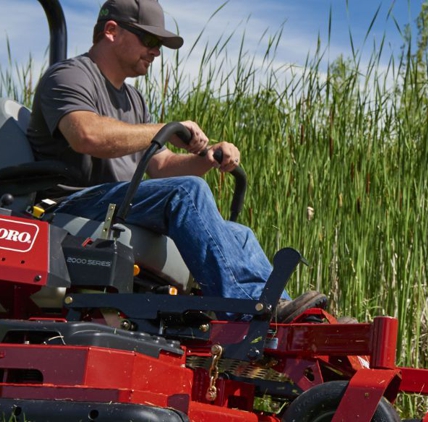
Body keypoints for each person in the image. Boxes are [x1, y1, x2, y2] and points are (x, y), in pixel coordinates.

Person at [27, 0, 326, 322]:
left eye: (160, 45)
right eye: (150, 41)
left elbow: (160, 165)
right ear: (111, 31)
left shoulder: (133, 99)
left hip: (118, 202)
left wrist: (208, 159)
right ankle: (250, 310)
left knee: (237, 233)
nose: (156, 52)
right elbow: (86, 135)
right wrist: (162, 130)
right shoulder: (70, 75)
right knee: (186, 191)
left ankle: (280, 312)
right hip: (68, 203)